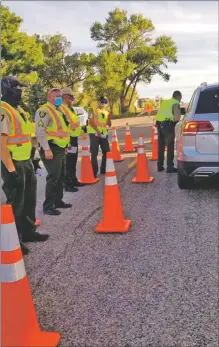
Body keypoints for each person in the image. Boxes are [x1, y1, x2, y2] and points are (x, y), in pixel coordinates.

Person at [1, 76, 49, 255]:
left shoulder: (18, 110)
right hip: (14, 163)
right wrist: (10, 169)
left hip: (26, 161)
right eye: (17, 88)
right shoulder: (3, 111)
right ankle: (13, 241)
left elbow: (26, 138)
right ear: (7, 89)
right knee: (16, 203)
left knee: (29, 199)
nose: (20, 92)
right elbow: (2, 144)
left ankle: (28, 232)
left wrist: (34, 160)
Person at [35, 88, 73, 216]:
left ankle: (58, 201)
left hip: (60, 147)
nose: (58, 98)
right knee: (54, 177)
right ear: (49, 97)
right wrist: (46, 149)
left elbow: (62, 130)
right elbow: (40, 132)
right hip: (51, 148)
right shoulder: (44, 111)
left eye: (60, 96)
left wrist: (66, 144)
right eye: (56, 96)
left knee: (61, 175)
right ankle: (48, 206)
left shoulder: (59, 110)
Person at [59, 88, 86, 190]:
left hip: (74, 139)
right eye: (70, 97)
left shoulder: (71, 109)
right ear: (64, 96)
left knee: (73, 160)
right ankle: (68, 184)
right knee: (68, 161)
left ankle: (74, 180)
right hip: (68, 139)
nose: (72, 99)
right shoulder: (61, 108)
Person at [155, 90, 182, 173]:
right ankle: (170, 167)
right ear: (178, 96)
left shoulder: (165, 102)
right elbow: (177, 118)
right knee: (170, 145)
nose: (180, 100)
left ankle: (160, 166)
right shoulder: (175, 103)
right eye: (180, 98)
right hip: (168, 125)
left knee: (161, 145)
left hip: (159, 124)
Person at [87, 96, 111, 178]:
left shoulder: (107, 112)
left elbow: (109, 124)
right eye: (102, 101)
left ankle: (103, 169)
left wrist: (109, 118)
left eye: (105, 102)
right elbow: (90, 122)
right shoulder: (92, 110)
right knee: (94, 153)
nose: (103, 103)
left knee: (107, 151)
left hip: (103, 134)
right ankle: (93, 173)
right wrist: (97, 131)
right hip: (94, 133)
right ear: (98, 102)